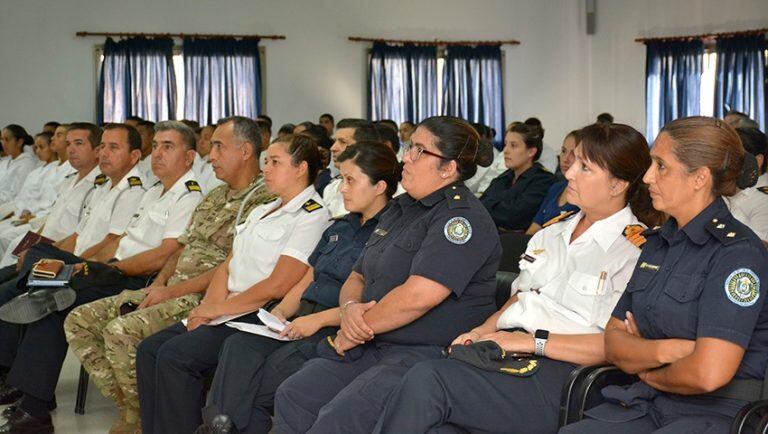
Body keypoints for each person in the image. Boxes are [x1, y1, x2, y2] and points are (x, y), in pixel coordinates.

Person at [374, 123, 663, 434]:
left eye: (585, 168)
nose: (569, 174)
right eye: (573, 162)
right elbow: (522, 296)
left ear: (617, 184)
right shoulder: (552, 233)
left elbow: (615, 347)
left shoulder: (635, 253)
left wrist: (529, 343)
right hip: (508, 351)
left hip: (563, 375)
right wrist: (481, 329)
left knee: (426, 380)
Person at [272, 116, 500, 434]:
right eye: (410, 147)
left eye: (420, 151)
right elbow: (357, 276)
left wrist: (355, 327)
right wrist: (349, 309)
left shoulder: (460, 220)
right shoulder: (400, 207)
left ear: (448, 168)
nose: (406, 157)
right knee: (294, 394)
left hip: (424, 355)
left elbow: (417, 297)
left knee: (338, 419)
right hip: (374, 341)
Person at [63, 116, 275, 433]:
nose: (211, 155)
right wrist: (159, 285)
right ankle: (134, 409)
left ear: (245, 151)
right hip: (171, 288)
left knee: (121, 330)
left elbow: (232, 265)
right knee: (79, 320)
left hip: (205, 296)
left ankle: (140, 419)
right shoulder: (215, 196)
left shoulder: (263, 200)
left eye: (218, 146)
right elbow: (180, 249)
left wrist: (171, 292)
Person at [560, 116, 768, 433]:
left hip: (715, 414)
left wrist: (647, 368)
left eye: (660, 166)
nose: (646, 177)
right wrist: (669, 350)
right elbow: (614, 343)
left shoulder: (736, 254)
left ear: (699, 177)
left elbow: (707, 373)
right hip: (647, 403)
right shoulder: (658, 244)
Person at [0, 120, 204, 433]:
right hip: (112, 268)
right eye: (158, 145)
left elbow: (165, 255)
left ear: (189, 158)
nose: (159, 154)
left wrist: (109, 267)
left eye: (169, 147)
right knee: (43, 271)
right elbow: (118, 239)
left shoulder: (187, 196)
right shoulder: (155, 193)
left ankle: (34, 405)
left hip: (131, 278)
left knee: (49, 302)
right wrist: (95, 264)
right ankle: (34, 394)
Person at [197, 141, 400, 434]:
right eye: (342, 179)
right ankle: (218, 427)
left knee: (259, 386)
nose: (341, 188)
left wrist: (314, 321)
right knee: (238, 346)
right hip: (301, 319)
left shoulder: (390, 233)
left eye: (350, 181)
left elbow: (371, 303)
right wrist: (280, 312)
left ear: (380, 186)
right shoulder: (340, 227)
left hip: (334, 327)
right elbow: (309, 277)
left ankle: (218, 428)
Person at [136, 133, 330, 434]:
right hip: (225, 306)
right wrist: (207, 307)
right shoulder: (261, 210)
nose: (265, 169)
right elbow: (228, 265)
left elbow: (277, 285)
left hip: (254, 313)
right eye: (266, 162)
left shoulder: (311, 216)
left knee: (176, 357)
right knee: (149, 350)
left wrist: (216, 311)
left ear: (301, 168)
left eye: (275, 162)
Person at [480, 123, 557, 231]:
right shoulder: (505, 176)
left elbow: (511, 217)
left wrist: (492, 206)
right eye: (506, 144)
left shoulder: (543, 180)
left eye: (513, 145)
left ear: (531, 152)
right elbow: (481, 205)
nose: (506, 150)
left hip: (519, 241)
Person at [526, 130, 582, 235]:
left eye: (573, 154)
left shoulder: (587, 197)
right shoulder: (556, 188)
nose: (565, 159)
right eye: (563, 151)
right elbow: (535, 227)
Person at [322, 119, 380, 217]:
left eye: (343, 142)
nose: (333, 148)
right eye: (335, 141)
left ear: (364, 146)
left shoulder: (382, 189)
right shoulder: (331, 188)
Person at [725, 127, 768, 243]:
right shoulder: (726, 185)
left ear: (757, 161)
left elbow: (762, 247)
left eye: (735, 157)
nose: (727, 162)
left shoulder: (763, 199)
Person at [0, 125, 41, 204]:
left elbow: (18, 195)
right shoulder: (4, 162)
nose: (3, 143)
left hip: (10, 208)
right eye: (2, 139)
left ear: (19, 142)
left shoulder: (27, 164)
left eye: (7, 140)